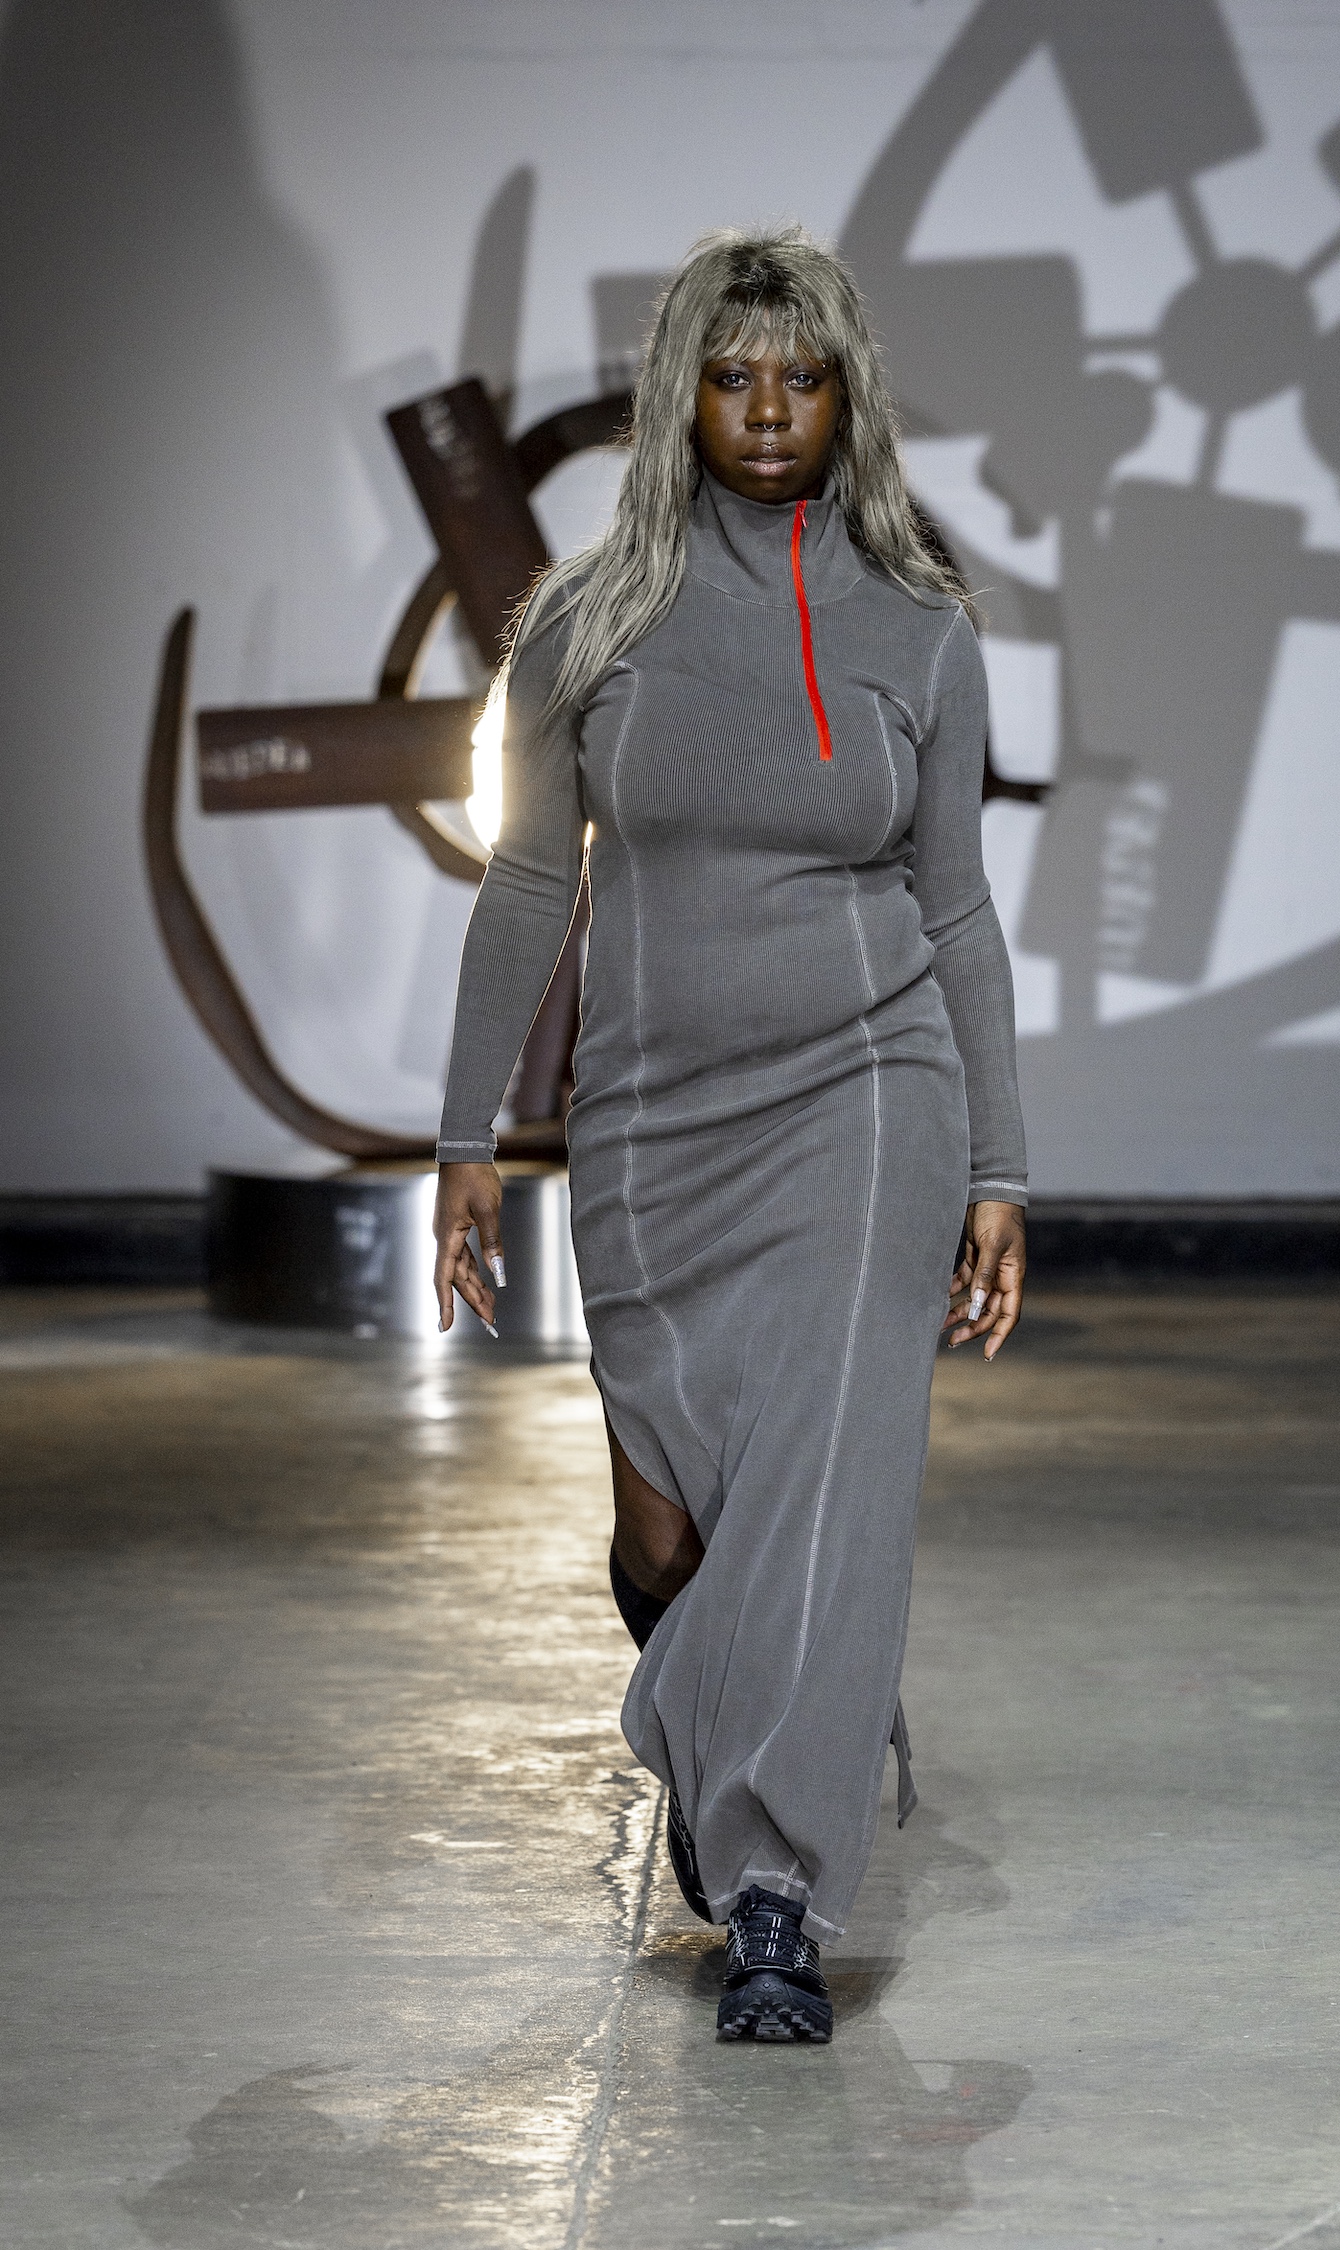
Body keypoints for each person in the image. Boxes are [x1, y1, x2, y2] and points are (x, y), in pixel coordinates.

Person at [433, 227, 1027, 2043]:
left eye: (804, 377)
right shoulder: (589, 621)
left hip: (868, 1094)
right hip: (647, 1118)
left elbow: (957, 907)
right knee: (675, 1533)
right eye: (733, 375)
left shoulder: (922, 627)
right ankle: (731, 1715)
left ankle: (776, 1891)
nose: (769, 411)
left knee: (827, 1492)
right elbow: (527, 885)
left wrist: (999, 1167)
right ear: (677, 396)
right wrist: (465, 1136)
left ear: (849, 399)